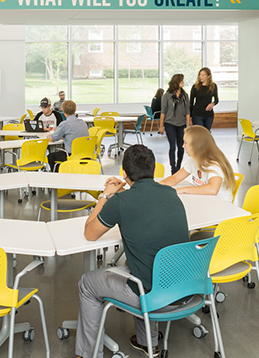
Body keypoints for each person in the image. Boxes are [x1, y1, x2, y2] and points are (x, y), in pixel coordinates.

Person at [73, 145, 189, 358]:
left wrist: (106, 195)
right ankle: (148, 342)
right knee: (140, 265)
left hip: (154, 297)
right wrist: (123, 191)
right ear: (153, 170)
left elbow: (90, 233)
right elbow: (143, 202)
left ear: (124, 174)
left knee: (88, 283)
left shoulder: (120, 201)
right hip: (184, 289)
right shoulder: (171, 193)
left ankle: (88, 354)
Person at [159, 125, 236, 203]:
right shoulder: (193, 161)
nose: (183, 146)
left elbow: (213, 189)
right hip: (206, 201)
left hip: (221, 205)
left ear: (196, 145)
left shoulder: (213, 165)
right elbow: (175, 178)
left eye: (186, 143)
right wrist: (156, 186)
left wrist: (183, 190)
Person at [159, 74, 191, 174]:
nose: (183, 82)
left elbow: (187, 112)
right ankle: (173, 167)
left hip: (181, 124)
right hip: (169, 123)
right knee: (172, 146)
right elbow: (163, 112)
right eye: (181, 80)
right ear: (176, 82)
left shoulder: (185, 96)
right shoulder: (167, 95)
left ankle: (178, 165)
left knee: (181, 147)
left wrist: (188, 126)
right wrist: (161, 126)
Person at [47, 100, 89, 170]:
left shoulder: (65, 124)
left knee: (51, 157)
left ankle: (58, 175)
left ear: (63, 111)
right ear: (75, 110)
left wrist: (48, 136)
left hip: (71, 155)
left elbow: (52, 139)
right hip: (86, 154)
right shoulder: (83, 123)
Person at [189, 67, 219, 131]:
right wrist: (190, 116)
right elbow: (190, 102)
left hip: (209, 114)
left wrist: (212, 103)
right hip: (197, 114)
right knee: (200, 133)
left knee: (207, 133)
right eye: (200, 74)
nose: (200, 76)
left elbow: (216, 100)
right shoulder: (195, 87)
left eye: (203, 75)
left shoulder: (213, 86)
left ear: (208, 76)